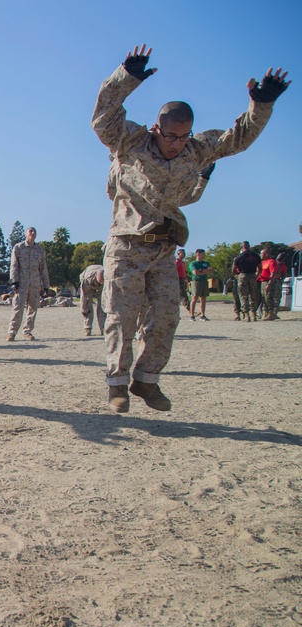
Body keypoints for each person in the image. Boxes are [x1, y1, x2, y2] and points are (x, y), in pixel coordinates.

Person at [92, 43, 288, 412]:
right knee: (122, 317)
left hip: (164, 247)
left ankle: (146, 380)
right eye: (170, 137)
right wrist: (126, 77)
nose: (176, 144)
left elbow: (238, 138)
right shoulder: (131, 143)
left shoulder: (197, 150)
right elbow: (103, 117)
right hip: (127, 246)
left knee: (168, 316)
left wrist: (261, 104)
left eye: (183, 137)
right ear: (157, 128)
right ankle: (116, 384)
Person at [7, 226, 50, 341]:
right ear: (26, 234)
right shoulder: (19, 248)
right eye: (30, 231)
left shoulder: (40, 251)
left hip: (35, 284)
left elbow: (43, 269)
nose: (33, 233)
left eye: (34, 231)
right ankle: (12, 331)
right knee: (18, 307)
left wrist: (46, 285)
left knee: (33, 309)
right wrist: (14, 281)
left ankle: (27, 331)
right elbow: (14, 265)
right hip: (22, 283)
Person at [232, 240, 262, 322]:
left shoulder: (238, 257)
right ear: (249, 246)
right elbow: (260, 267)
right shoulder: (256, 256)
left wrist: (237, 275)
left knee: (243, 295)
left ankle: (246, 315)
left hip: (243, 275)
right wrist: (257, 274)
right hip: (252, 275)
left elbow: (233, 269)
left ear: (242, 247)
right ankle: (254, 315)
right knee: (253, 295)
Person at [79, 265, 107, 336]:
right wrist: (83, 308)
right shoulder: (87, 279)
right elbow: (84, 295)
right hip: (88, 283)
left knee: (102, 306)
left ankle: (103, 328)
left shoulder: (108, 276)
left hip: (101, 286)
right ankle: (87, 328)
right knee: (87, 306)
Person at [188, 249, 213, 320]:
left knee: (203, 298)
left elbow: (210, 270)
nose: (204, 255)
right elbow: (195, 272)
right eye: (203, 254)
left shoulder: (206, 263)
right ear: (198, 254)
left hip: (204, 281)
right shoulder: (193, 263)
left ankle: (202, 315)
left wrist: (201, 270)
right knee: (194, 298)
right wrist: (205, 271)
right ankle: (192, 315)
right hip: (196, 281)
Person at [257, 247, 280, 320]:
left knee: (269, 297)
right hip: (263, 281)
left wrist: (269, 284)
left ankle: (271, 313)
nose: (260, 255)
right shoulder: (263, 262)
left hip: (269, 281)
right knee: (264, 298)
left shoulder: (272, 262)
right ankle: (265, 312)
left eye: (261, 253)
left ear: (266, 254)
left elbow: (273, 274)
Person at [175, 249, 192, 318]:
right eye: (182, 253)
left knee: (178, 297)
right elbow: (174, 271)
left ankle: (177, 314)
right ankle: (190, 312)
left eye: (184, 253)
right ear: (178, 254)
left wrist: (186, 278)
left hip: (182, 280)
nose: (184, 254)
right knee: (183, 296)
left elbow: (183, 272)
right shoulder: (177, 262)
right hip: (178, 280)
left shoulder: (182, 262)